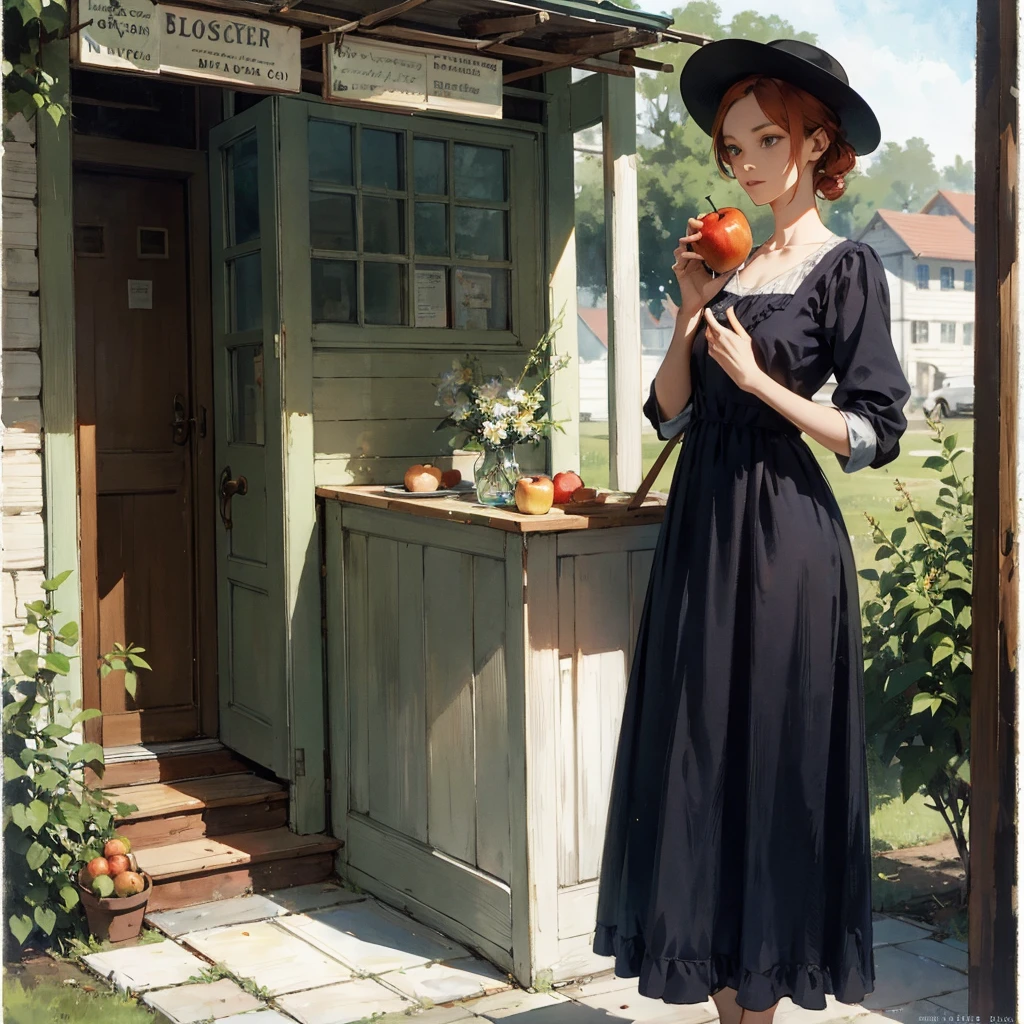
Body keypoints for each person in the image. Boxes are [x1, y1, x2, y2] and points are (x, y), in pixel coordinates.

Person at [591, 38, 912, 1024]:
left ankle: (760, 1002)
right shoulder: (724, 264)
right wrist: (690, 310)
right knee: (700, 761)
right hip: (702, 533)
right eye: (734, 146)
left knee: (766, 769)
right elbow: (666, 413)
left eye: (768, 137)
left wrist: (763, 382)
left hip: (783, 545)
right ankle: (727, 1001)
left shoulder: (844, 266)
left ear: (818, 144)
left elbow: (874, 431)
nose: (747, 161)